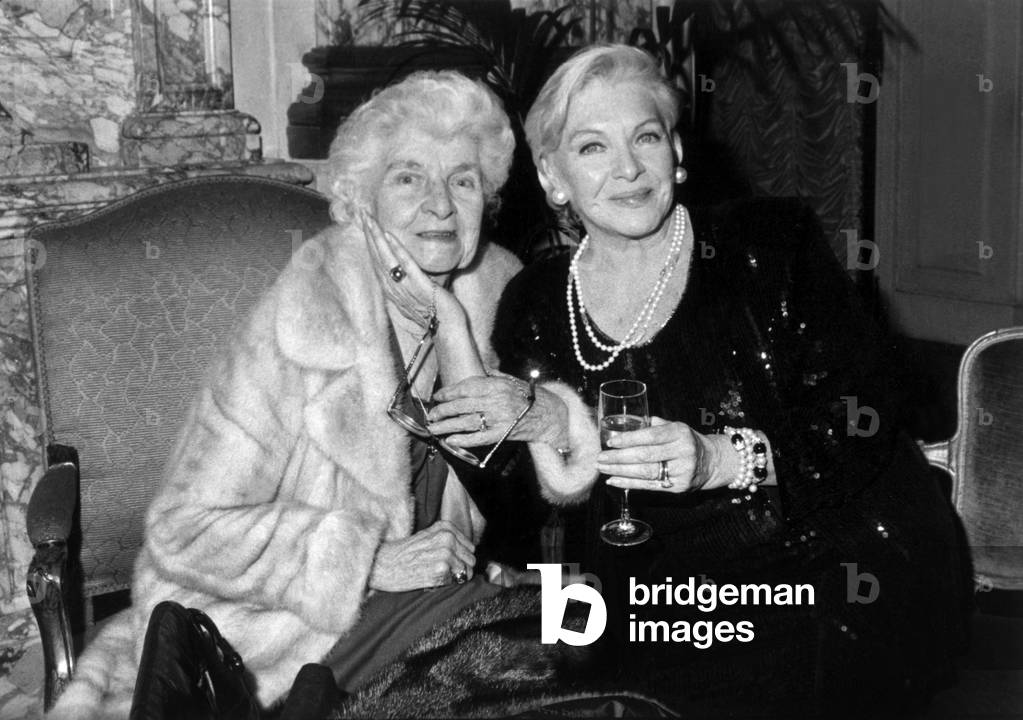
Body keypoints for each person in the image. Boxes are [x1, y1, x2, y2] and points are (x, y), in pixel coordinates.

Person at [47, 69, 589, 719]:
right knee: (551, 647)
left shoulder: (503, 295)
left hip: (438, 601)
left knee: (587, 627)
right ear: (363, 202)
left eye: (463, 180)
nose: (441, 205)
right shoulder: (307, 319)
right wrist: (367, 561)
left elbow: (536, 514)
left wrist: (451, 327)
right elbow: (184, 530)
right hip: (288, 627)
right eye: (409, 178)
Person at [476, 43, 972, 717]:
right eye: (592, 147)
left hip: (810, 568)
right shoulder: (534, 302)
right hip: (637, 590)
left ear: (676, 152)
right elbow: (531, 512)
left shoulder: (770, 246)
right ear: (551, 176)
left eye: (646, 137)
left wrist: (723, 459)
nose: (628, 168)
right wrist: (545, 435)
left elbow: (867, 412)